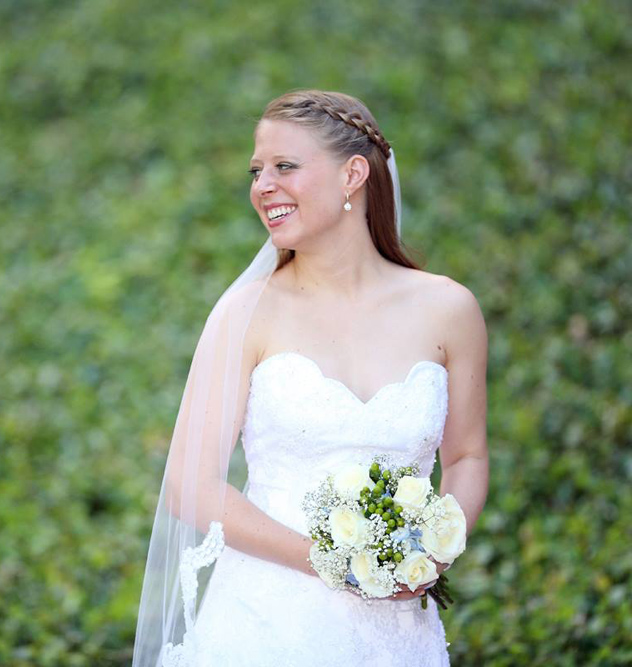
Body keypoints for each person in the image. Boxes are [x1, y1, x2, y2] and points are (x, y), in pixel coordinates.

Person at [132, 89, 489, 666]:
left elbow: (469, 458)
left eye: (284, 167)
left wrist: (433, 549)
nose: (261, 186)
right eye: (256, 171)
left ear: (352, 175)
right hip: (262, 626)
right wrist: (334, 564)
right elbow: (189, 486)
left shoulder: (449, 310)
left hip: (400, 633)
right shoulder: (247, 312)